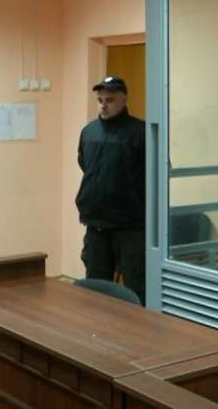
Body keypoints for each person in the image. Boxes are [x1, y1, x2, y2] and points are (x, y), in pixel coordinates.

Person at [76, 76, 146, 304]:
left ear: (124, 100)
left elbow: (157, 175)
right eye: (100, 100)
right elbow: (85, 166)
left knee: (137, 289)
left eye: (110, 100)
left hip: (130, 229)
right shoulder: (89, 132)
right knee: (95, 292)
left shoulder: (141, 132)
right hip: (96, 226)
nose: (103, 105)